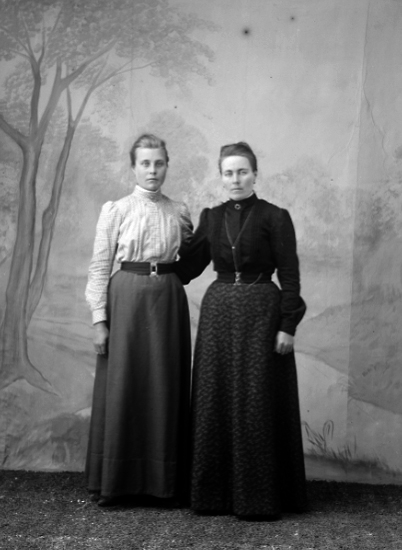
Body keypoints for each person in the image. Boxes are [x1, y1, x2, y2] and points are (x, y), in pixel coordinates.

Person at [177, 142, 307, 519]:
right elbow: (187, 269)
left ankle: (259, 497)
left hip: (263, 313)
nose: (235, 179)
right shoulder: (212, 218)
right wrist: (173, 235)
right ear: (221, 177)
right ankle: (213, 497)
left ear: (254, 174)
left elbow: (290, 275)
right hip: (218, 314)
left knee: (257, 400)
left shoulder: (275, 217)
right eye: (228, 173)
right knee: (215, 397)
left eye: (242, 172)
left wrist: (287, 325)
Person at [85, 133, 193, 507]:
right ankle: (117, 483)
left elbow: (191, 260)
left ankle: (164, 484)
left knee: (164, 384)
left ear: (167, 166)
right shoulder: (116, 210)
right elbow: (100, 267)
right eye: (145, 163)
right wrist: (99, 320)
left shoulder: (179, 212)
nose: (152, 170)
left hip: (168, 301)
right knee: (125, 383)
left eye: (159, 163)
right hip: (126, 300)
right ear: (133, 167)